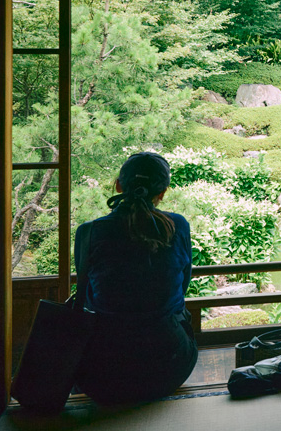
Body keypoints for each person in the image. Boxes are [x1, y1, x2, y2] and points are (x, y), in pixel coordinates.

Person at [73, 151, 197, 405]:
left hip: (102, 376)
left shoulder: (89, 232)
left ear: (118, 185)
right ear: (162, 192)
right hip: (168, 369)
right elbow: (182, 286)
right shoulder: (177, 226)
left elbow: (85, 294)